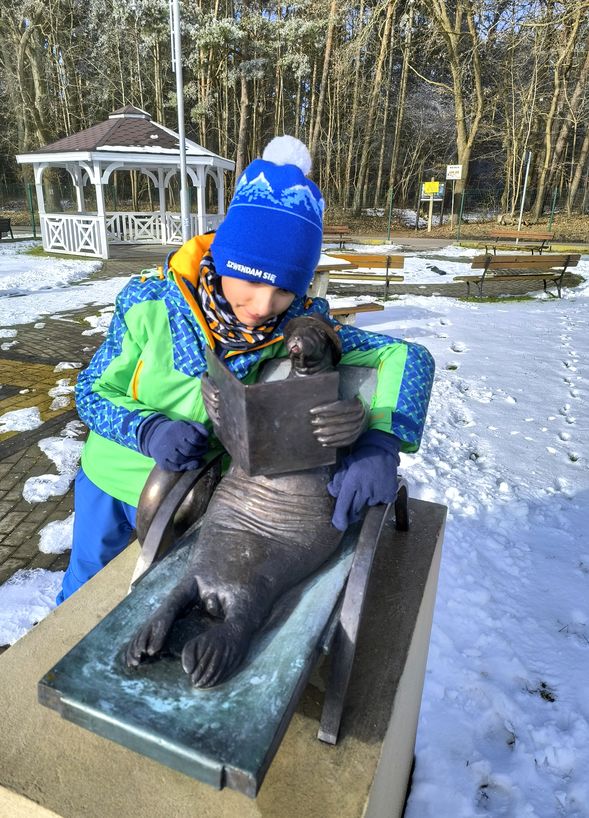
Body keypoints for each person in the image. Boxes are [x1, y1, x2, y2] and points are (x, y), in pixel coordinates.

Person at [56, 135, 435, 604]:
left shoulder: (298, 328)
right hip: (111, 479)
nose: (262, 306)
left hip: (202, 497)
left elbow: (408, 358)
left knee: (159, 593)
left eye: (283, 291)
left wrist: (381, 439)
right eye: (252, 279)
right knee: (85, 586)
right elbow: (91, 390)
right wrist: (148, 430)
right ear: (222, 255)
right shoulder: (149, 304)